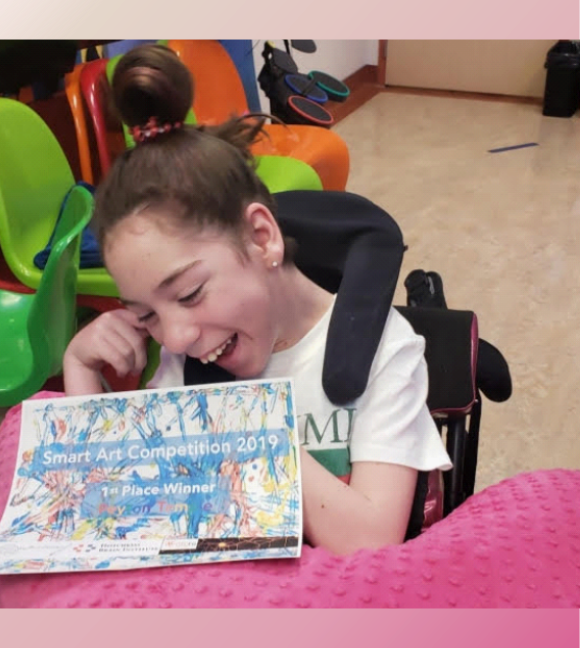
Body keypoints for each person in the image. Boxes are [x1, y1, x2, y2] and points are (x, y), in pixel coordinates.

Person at [63, 44, 451, 556]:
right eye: (146, 315)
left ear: (262, 237)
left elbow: (370, 541)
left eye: (190, 293)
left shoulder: (383, 352)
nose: (175, 337)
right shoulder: (189, 360)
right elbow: (106, 509)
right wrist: (80, 366)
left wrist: (248, 429)